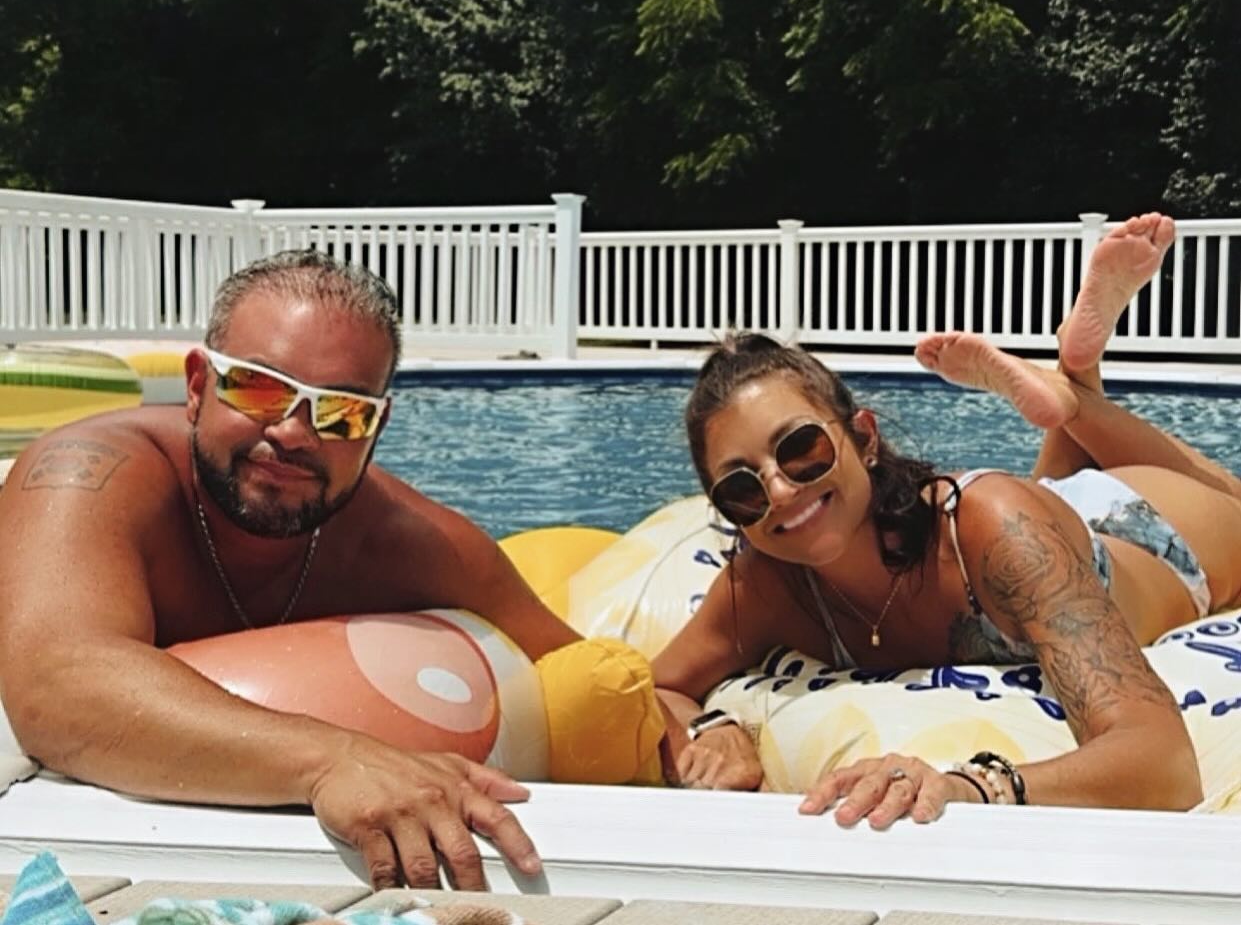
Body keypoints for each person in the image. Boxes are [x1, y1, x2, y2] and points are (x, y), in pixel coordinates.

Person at [0, 250, 585, 890]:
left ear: (378, 427)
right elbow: (55, 687)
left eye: (342, 411)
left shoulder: (406, 538)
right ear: (197, 386)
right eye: (258, 387)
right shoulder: (90, 477)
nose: (294, 432)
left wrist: (705, 735)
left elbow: (571, 663)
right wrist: (333, 757)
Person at [654, 213, 1241, 823]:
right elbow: (659, 685)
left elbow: (1164, 766)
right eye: (741, 488)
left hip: (1152, 532)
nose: (777, 489)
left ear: (864, 438)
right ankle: (1074, 377)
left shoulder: (992, 528)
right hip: (1044, 517)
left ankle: (1073, 399)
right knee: (1040, 502)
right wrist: (712, 727)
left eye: (802, 448)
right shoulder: (763, 585)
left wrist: (974, 788)